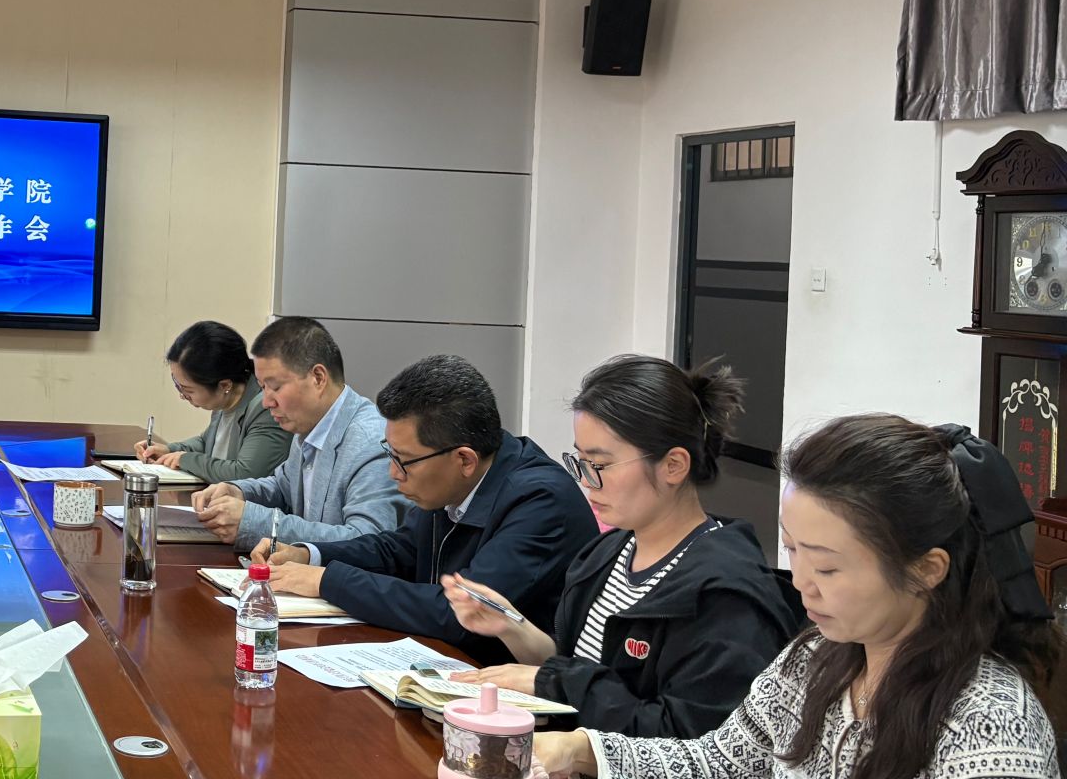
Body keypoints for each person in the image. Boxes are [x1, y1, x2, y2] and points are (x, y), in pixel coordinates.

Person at [535, 415, 1066, 779]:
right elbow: (727, 773)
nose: (802, 582)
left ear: (925, 570)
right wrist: (584, 750)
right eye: (792, 550)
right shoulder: (815, 659)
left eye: (828, 565)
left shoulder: (988, 720)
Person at [444, 354, 800, 738]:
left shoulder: (725, 596)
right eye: (580, 462)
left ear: (674, 465)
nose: (586, 481)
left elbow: (687, 739)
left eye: (600, 465)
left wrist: (555, 683)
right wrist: (511, 626)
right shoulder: (606, 553)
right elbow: (575, 668)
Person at [252, 353, 595, 664]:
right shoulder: (451, 480)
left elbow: (463, 613)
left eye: (403, 461)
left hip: (507, 689)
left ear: (464, 459)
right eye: (391, 454)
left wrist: (328, 581)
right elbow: (399, 550)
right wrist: (310, 555)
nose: (393, 473)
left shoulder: (540, 501)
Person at [188, 316, 404, 552]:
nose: (266, 402)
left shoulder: (371, 442)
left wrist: (253, 522)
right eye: (262, 387)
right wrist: (238, 491)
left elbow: (367, 542)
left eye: (276, 387)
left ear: (318, 378)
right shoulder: (309, 424)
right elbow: (284, 487)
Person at [133, 320, 290, 485]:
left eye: (188, 390)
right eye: (177, 385)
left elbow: (245, 474)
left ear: (224, 385)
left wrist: (185, 459)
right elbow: (206, 443)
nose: (182, 396)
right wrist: (169, 450)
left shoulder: (265, 408)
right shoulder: (224, 401)